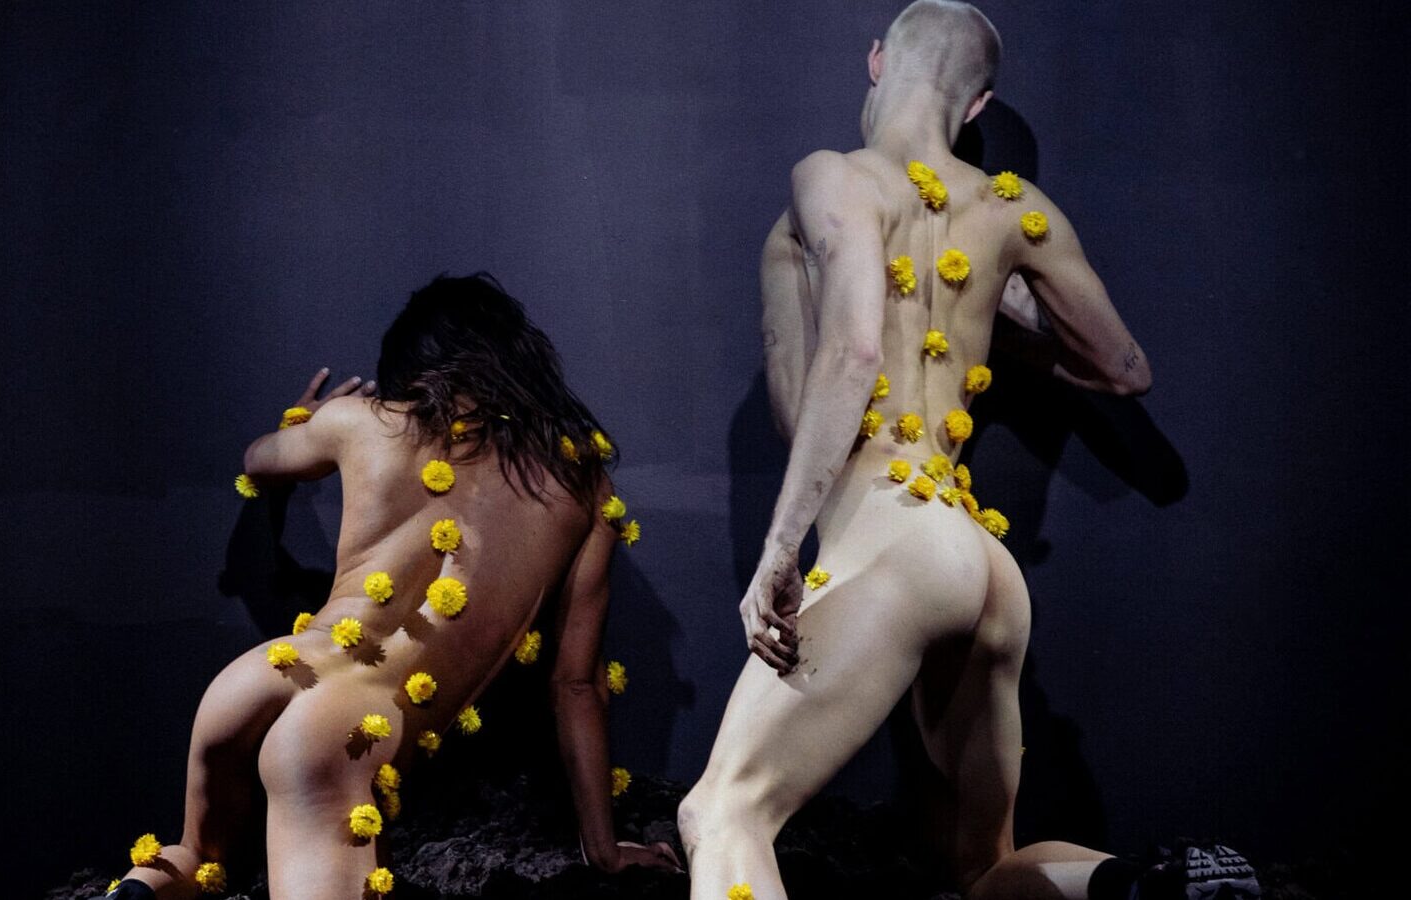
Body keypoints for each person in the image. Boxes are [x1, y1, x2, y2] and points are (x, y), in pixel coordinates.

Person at [674, 4, 1259, 899]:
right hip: (984, 565)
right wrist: (997, 305)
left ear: (877, 60)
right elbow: (1124, 368)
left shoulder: (833, 176)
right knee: (981, 866)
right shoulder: (1010, 210)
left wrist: (781, 547)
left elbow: (854, 351)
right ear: (977, 102)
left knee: (723, 814)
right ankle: (1143, 886)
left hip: (892, 542)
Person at [109, 273, 681, 900]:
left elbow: (258, 461)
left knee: (197, 856)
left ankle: (139, 890)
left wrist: (305, 420)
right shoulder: (582, 485)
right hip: (344, 728)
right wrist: (603, 849)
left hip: (261, 674)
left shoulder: (359, 422)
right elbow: (576, 685)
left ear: (409, 372)